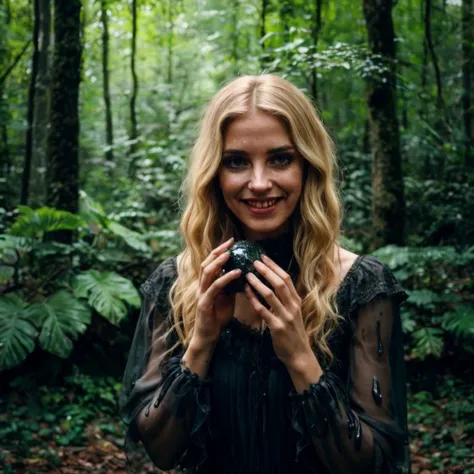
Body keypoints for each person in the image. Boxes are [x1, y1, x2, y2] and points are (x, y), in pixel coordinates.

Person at [119, 74, 410, 474]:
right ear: (214, 174)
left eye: (280, 158)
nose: (258, 183)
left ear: (308, 166)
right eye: (237, 161)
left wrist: (299, 357)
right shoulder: (176, 284)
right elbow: (161, 451)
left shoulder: (361, 288)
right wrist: (202, 342)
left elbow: (374, 463)